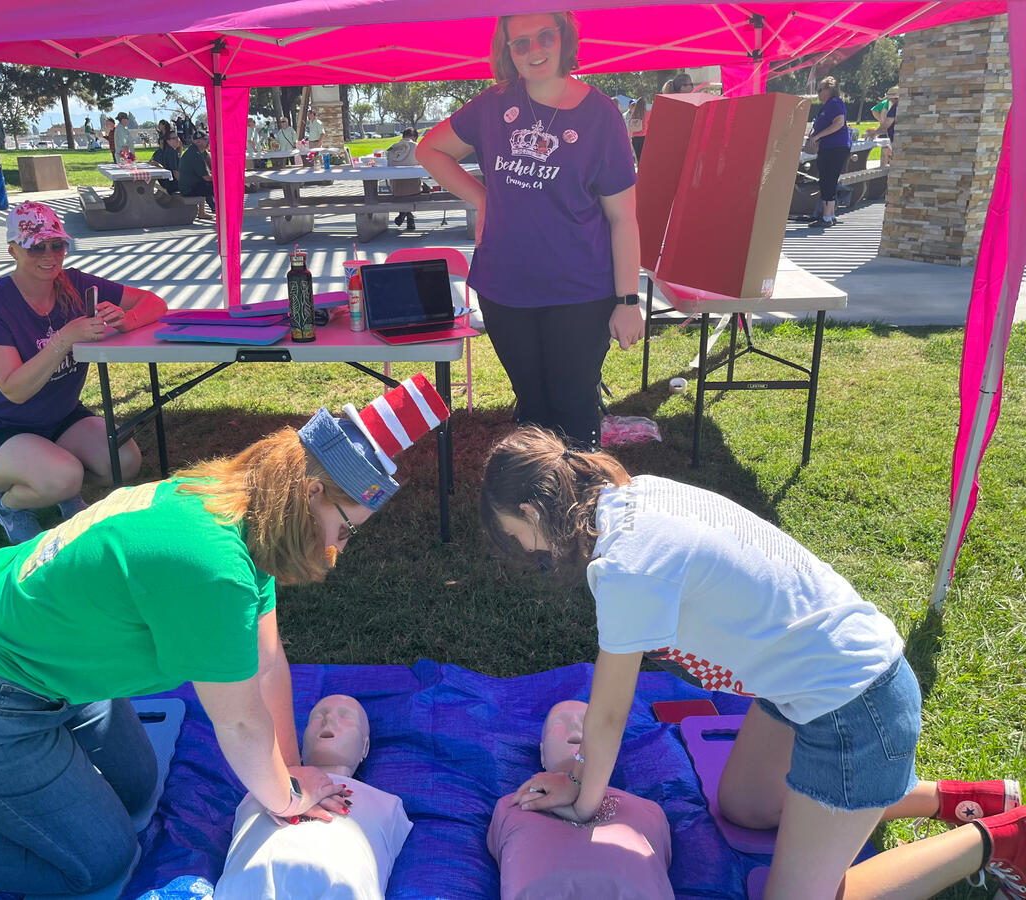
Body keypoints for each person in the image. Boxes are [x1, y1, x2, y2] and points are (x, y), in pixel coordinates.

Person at [0, 374, 450, 897]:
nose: (340, 548)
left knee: (138, 786)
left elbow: (267, 661)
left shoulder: (236, 507)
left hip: (29, 671)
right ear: (312, 492)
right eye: (347, 526)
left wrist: (293, 771)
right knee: (100, 861)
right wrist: (286, 798)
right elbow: (237, 723)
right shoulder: (211, 567)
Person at [480, 426, 1026, 900]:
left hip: (858, 710)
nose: (528, 551)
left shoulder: (628, 567)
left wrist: (581, 799)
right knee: (743, 806)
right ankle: (957, 799)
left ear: (531, 511)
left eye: (515, 536)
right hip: (814, 683)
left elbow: (607, 716)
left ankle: (1000, 840)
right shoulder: (630, 498)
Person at [417, 12, 645, 449]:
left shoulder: (601, 116)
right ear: (507, 51)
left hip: (580, 292)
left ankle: (579, 504)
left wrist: (628, 301)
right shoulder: (493, 104)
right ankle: (533, 505)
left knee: (574, 405)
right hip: (505, 288)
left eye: (544, 36)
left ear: (565, 37)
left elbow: (623, 218)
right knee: (531, 406)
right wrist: (482, 197)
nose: (534, 50)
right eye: (519, 43)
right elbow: (432, 150)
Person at [0, 201, 167, 544]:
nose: (50, 255)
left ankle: (58, 484)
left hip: (60, 418)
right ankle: (9, 506)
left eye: (57, 244)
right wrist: (65, 338)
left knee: (124, 461)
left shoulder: (74, 284)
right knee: (64, 476)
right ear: (13, 251)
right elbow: (13, 389)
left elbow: (153, 302)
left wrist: (128, 319)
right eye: (36, 246)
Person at [214, 694, 412, 899]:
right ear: (302, 744)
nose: (329, 720)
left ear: (365, 747)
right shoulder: (256, 790)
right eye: (319, 716)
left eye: (346, 716)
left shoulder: (388, 805)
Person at [488, 699, 674, 899]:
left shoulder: (650, 811)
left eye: (587, 722)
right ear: (542, 754)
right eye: (561, 721)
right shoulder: (511, 806)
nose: (576, 727)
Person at [806, 76, 851, 227]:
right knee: (828, 180)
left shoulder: (835, 103)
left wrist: (818, 136)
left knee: (827, 180)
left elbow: (839, 122)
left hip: (835, 147)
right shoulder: (826, 106)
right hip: (829, 147)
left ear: (829, 90)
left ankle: (826, 218)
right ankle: (830, 215)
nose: (818, 93)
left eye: (820, 90)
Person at [387, 127, 423, 231]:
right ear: (414, 137)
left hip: (395, 190)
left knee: (404, 190)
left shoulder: (392, 148)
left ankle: (406, 215)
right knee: (426, 189)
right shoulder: (417, 147)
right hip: (414, 189)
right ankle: (406, 213)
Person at [179, 131, 215, 218]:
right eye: (206, 139)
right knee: (220, 185)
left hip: (190, 185)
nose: (208, 141)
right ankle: (224, 209)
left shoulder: (199, 151)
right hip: (188, 189)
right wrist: (223, 178)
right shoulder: (195, 154)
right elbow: (206, 177)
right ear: (198, 142)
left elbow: (211, 166)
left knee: (208, 184)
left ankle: (205, 211)